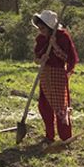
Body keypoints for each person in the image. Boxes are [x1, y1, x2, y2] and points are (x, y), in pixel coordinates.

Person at [33, 9, 78, 144]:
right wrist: (41, 60)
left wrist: (55, 46)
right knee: (44, 105)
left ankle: (65, 137)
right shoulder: (41, 38)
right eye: (39, 27)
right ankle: (49, 135)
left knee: (61, 108)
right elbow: (36, 58)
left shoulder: (62, 36)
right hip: (45, 74)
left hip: (58, 74)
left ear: (49, 27)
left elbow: (67, 58)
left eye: (43, 28)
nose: (40, 30)